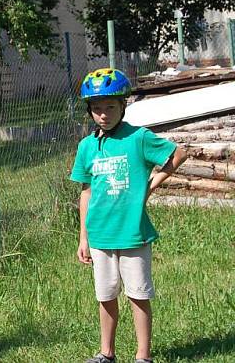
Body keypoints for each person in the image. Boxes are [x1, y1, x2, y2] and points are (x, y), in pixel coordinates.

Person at [71, 68, 186, 363]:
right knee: (105, 296)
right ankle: (106, 354)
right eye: (97, 109)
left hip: (133, 233)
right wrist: (83, 237)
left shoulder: (138, 138)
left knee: (138, 294)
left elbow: (178, 155)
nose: (103, 114)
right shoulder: (86, 146)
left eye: (110, 107)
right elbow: (86, 192)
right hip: (100, 235)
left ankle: (142, 356)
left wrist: (149, 187)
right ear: (90, 111)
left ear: (123, 105)